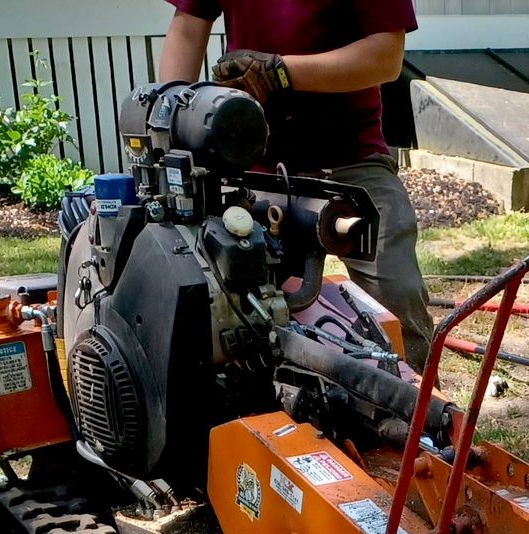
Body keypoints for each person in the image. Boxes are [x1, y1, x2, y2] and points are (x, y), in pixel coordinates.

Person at [158, 0, 433, 369]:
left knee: (397, 296)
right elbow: (188, 29)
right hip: (253, 163)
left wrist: (280, 73)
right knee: (233, 304)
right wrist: (172, 133)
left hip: (352, 161)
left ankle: (418, 415)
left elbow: (386, 55)